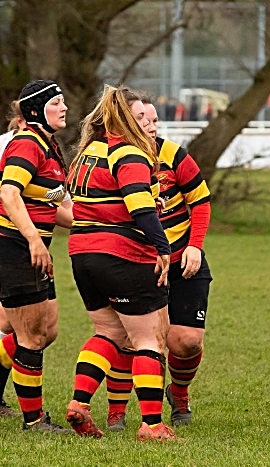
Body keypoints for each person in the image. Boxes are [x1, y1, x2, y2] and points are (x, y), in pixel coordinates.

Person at [64, 85, 176, 441]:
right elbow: (139, 205)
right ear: (126, 118)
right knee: (147, 340)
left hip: (81, 255)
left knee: (109, 333)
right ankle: (152, 425)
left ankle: (79, 404)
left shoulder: (86, 153)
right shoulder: (127, 154)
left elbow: (66, 199)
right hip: (121, 254)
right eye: (140, 116)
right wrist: (163, 247)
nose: (146, 123)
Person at [103, 94, 212, 430]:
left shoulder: (173, 155)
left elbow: (201, 200)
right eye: (143, 120)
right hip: (135, 262)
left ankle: (178, 393)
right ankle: (116, 412)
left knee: (186, 341)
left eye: (154, 121)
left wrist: (195, 246)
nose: (151, 127)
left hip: (181, 260)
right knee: (127, 336)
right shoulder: (112, 157)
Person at [0, 80, 71, 432]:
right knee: (31, 335)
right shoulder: (27, 144)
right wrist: (33, 239)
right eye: (57, 102)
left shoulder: (48, 146)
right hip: (13, 245)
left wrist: (104, 223)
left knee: (47, 329)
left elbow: (54, 207)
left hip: (31, 247)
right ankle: (33, 421)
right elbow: (9, 194)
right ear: (35, 110)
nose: (65, 108)